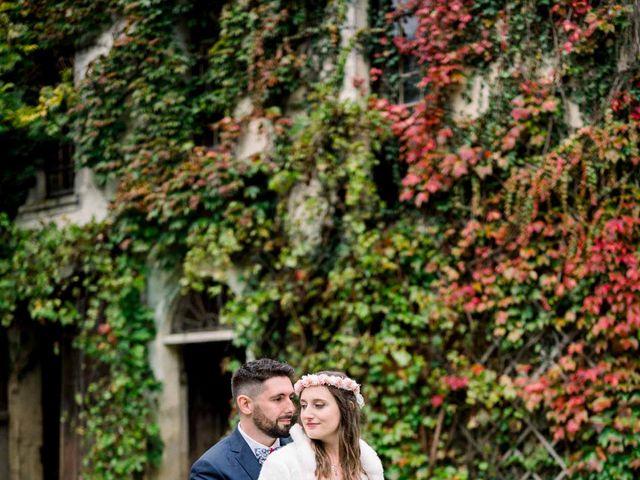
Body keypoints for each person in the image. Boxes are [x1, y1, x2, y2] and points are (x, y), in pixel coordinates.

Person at [258, 371, 384, 480]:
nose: (306, 414)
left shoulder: (368, 465)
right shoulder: (282, 463)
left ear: (348, 408)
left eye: (318, 405)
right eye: (303, 406)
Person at [190, 358, 297, 480]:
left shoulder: (304, 448)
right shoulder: (211, 469)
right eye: (278, 399)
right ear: (245, 405)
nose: (291, 408)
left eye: (291, 398)